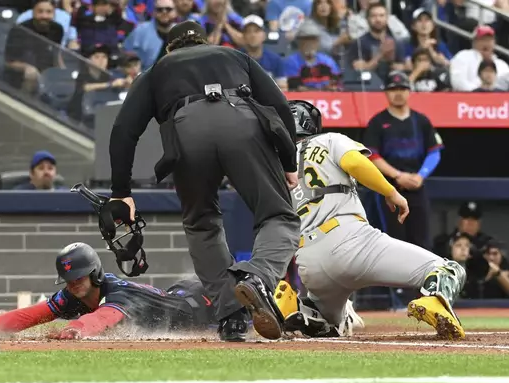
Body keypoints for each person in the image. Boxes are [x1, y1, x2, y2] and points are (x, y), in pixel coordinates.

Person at [107, 20, 301, 342]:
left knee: (202, 224)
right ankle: (256, 276)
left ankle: (231, 317)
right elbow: (280, 106)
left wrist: (121, 192)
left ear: (169, 49)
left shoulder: (156, 71)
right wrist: (288, 161)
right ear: (206, 41)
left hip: (186, 131)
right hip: (240, 120)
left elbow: (123, 131)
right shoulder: (235, 56)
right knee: (278, 215)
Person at [278, 100, 467, 340]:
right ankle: (435, 300)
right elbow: (355, 162)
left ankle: (298, 309)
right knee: (448, 270)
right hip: (350, 239)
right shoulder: (329, 139)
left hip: (309, 260)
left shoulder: (277, 164)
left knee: (329, 324)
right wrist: (391, 192)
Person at [0, 242, 217, 339]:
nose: (74, 283)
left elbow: (103, 318)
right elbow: (31, 315)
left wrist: (77, 329)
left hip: (199, 304)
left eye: (80, 277)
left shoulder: (116, 292)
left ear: (94, 273)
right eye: (69, 279)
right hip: (178, 295)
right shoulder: (75, 294)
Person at [362, 71, 443, 250]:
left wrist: (421, 176)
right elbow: (372, 155)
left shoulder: (421, 120)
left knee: (421, 241)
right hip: (389, 189)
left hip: (416, 186)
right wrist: (398, 175)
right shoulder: (377, 122)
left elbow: (434, 152)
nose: (398, 93)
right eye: (393, 89)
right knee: (393, 242)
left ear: (409, 91)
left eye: (402, 88)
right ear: (385, 92)